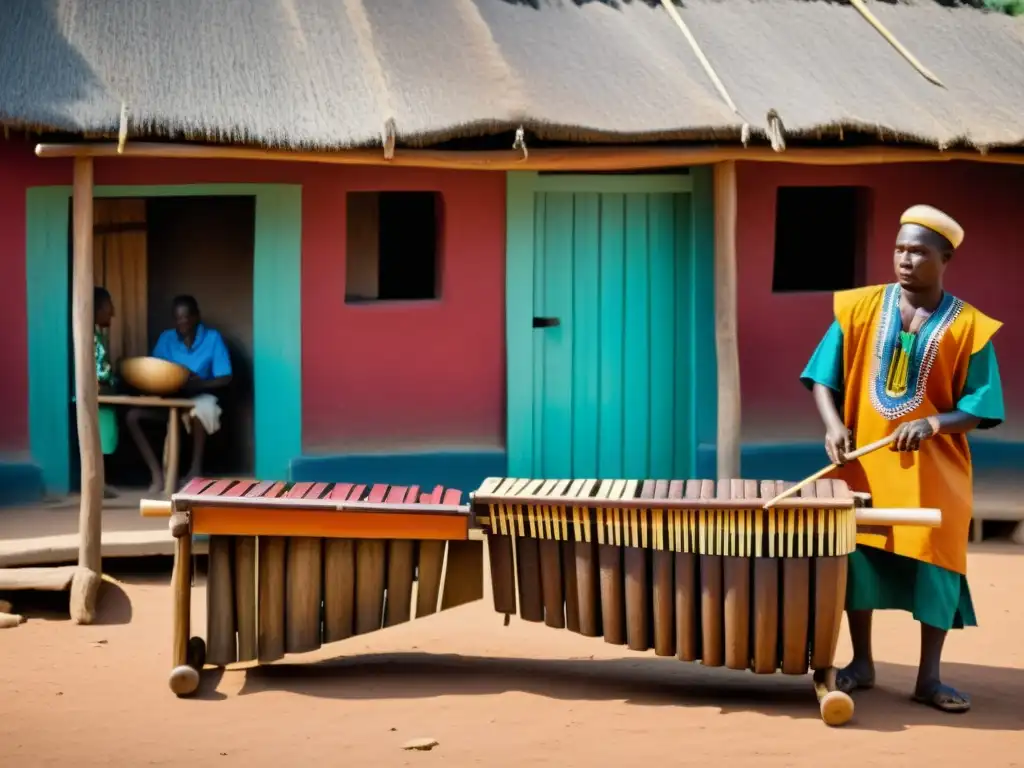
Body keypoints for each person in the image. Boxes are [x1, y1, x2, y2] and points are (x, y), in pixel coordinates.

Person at [799, 204, 1004, 714]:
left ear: (945, 258)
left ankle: (929, 679)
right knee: (858, 558)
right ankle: (862, 663)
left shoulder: (970, 328)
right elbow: (823, 376)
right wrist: (833, 425)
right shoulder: (860, 308)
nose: (905, 259)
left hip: (935, 473)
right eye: (899, 249)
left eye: (918, 251)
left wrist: (933, 423)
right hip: (864, 465)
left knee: (937, 561)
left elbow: (980, 406)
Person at [126, 295, 233, 493]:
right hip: (171, 398)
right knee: (133, 417)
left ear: (196, 316)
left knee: (202, 410)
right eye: (177, 318)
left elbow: (225, 377)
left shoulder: (212, 338)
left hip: (200, 394)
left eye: (186, 317)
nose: (182, 322)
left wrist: (197, 384)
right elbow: (155, 371)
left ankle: (195, 471)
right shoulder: (166, 338)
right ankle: (157, 475)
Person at [94, 287, 119, 499]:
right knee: (99, 441)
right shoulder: (91, 339)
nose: (113, 312)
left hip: (103, 398)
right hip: (97, 399)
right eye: (109, 307)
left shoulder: (96, 337)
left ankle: (102, 482)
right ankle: (98, 484)